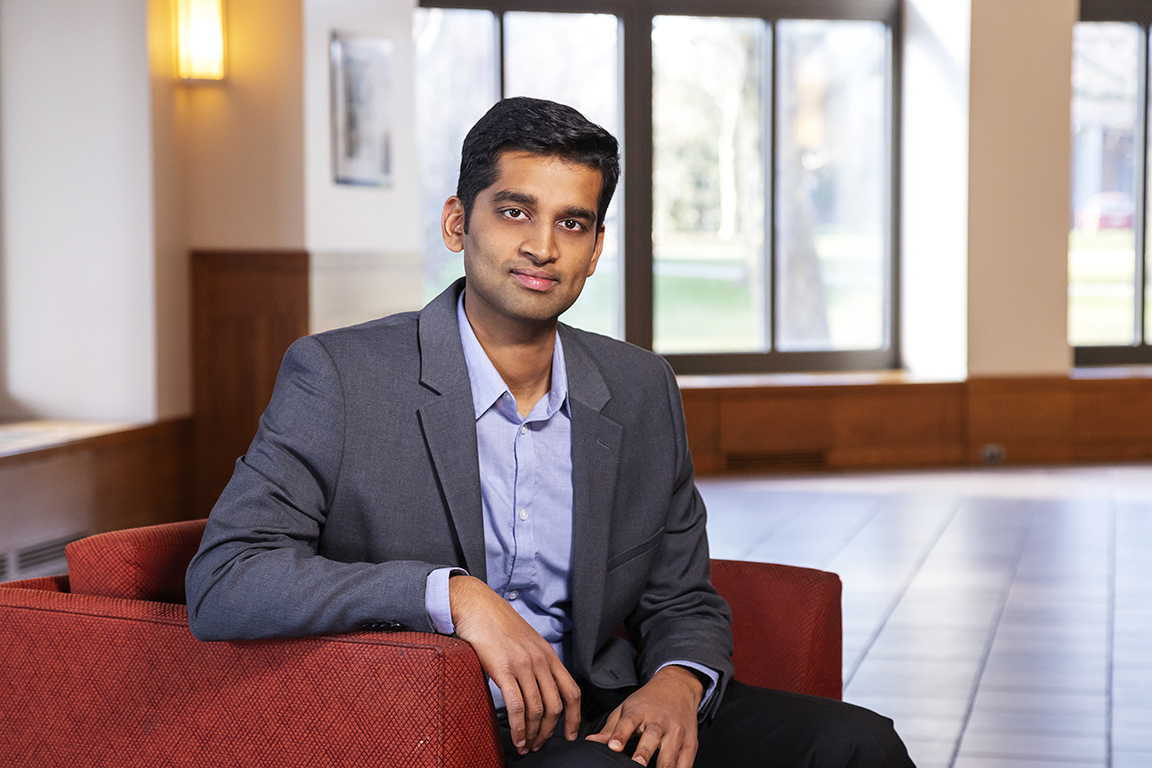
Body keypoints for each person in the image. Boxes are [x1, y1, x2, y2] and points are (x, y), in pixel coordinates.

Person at [186, 96, 915, 768]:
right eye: (514, 212)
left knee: (859, 745)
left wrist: (677, 683)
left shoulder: (639, 389)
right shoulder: (340, 377)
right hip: (443, 724)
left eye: (573, 223)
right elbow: (225, 580)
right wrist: (454, 596)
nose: (543, 246)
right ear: (455, 222)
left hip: (608, 706)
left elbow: (682, 597)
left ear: (596, 250)